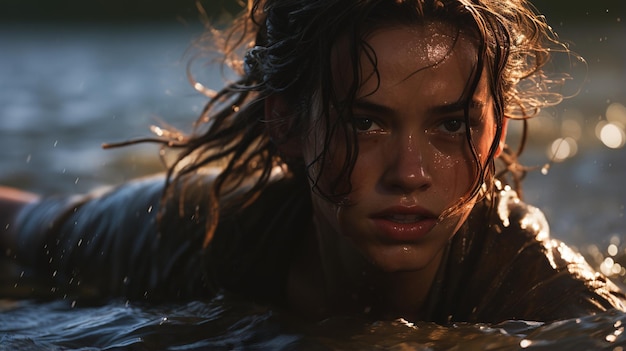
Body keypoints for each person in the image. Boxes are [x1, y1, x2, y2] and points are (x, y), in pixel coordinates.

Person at [0, 0, 624, 324]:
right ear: (288, 126)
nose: (409, 172)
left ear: (496, 133)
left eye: (451, 125)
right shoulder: (196, 229)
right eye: (366, 122)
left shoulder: (544, 297)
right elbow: (23, 224)